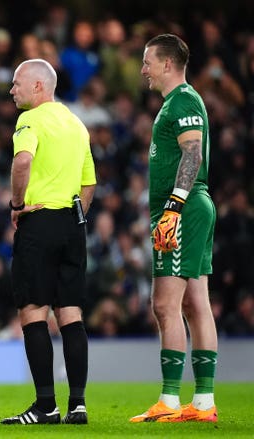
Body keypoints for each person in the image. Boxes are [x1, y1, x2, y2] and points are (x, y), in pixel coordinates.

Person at [0, 59, 96, 425]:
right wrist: (78, 216)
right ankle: (78, 404)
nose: (12, 90)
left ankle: (45, 406)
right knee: (71, 313)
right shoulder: (76, 123)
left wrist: (17, 205)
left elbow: (22, 162)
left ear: (38, 86)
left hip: (39, 222)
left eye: (16, 83)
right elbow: (89, 182)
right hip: (73, 224)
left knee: (33, 312)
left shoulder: (30, 120)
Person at [130, 33, 218, 423]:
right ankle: (202, 403)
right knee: (195, 303)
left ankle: (168, 400)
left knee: (165, 305)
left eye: (148, 61)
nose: (143, 69)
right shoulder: (178, 102)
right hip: (190, 208)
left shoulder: (182, 100)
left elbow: (193, 152)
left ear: (167, 64)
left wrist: (173, 208)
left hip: (182, 209)